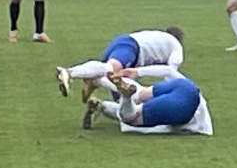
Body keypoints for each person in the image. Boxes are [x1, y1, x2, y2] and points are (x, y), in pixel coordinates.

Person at [58, 26, 186, 127]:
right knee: (110, 70)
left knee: (126, 102)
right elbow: (171, 74)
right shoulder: (176, 47)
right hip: (132, 48)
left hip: (124, 43)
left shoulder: (160, 38)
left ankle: (99, 105)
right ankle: (70, 73)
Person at [93, 74, 213, 136]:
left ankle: (99, 81)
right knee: (133, 115)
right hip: (185, 102)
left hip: (184, 85)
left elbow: (168, 70)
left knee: (138, 97)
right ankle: (123, 97)